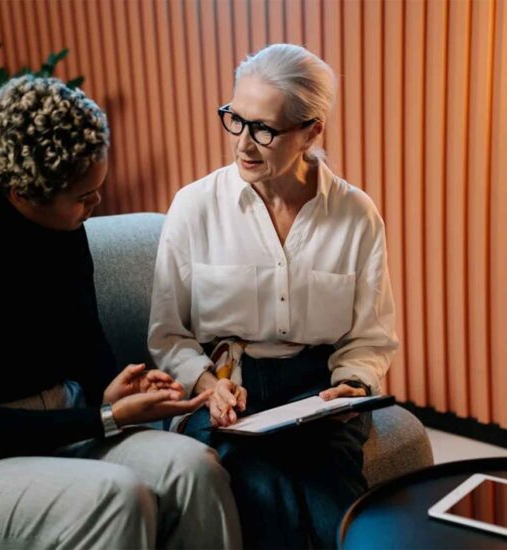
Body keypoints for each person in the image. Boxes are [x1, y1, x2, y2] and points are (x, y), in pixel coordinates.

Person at [0, 76, 241, 549]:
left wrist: (111, 389)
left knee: (194, 469)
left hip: (62, 422)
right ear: (22, 192)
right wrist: (104, 418)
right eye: (84, 197)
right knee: (116, 497)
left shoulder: (65, 229)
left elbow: (85, 337)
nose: (97, 204)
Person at [148, 43, 398, 549]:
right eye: (235, 120)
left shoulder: (355, 215)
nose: (243, 144)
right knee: (264, 494)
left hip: (319, 389)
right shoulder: (194, 207)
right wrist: (207, 385)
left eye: (263, 129)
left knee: (338, 513)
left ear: (311, 132)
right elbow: (168, 334)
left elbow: (369, 336)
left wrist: (353, 383)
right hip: (226, 386)